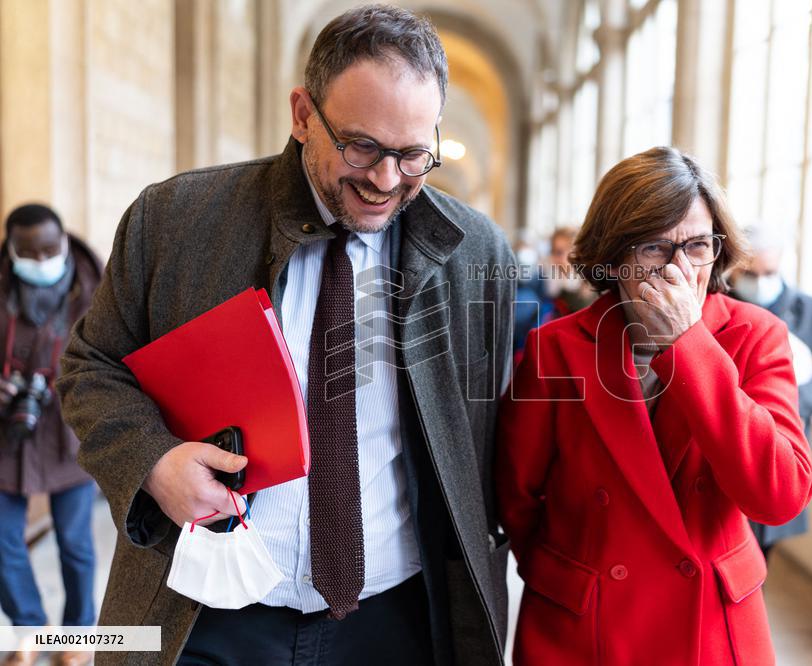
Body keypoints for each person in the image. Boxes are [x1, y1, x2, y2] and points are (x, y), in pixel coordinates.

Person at [56, 5, 515, 665]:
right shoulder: (176, 220)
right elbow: (90, 366)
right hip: (207, 614)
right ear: (302, 115)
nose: (386, 179)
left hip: (395, 622)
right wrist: (152, 461)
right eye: (361, 147)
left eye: (414, 154)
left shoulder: (477, 254)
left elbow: (491, 439)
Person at [495, 147, 812, 665]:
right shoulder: (556, 347)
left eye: (697, 246)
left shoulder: (757, 336)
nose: (679, 270)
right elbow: (517, 495)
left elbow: (779, 494)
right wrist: (569, 576)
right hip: (585, 626)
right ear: (613, 255)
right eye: (654, 247)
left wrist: (689, 345)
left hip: (708, 624)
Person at [0, 204, 103, 666]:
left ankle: (79, 635)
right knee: (3, 542)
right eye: (28, 253)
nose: (40, 260)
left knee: (75, 544)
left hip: (70, 436)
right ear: (11, 249)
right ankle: (29, 628)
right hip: (7, 435)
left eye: (48, 249)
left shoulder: (97, 289)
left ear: (63, 241)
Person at [729, 226, 812, 561]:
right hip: (731, 446)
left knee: (762, 552)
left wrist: (781, 402)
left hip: (782, 446)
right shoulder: (722, 304)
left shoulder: (808, 309)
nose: (760, 282)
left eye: (768, 273)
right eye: (750, 274)